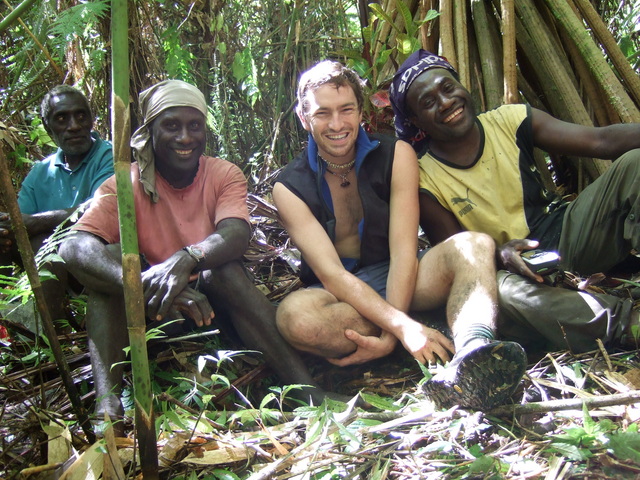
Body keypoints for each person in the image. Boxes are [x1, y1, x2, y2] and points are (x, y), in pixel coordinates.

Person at [59, 80, 332, 434]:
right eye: (171, 126)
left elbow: (235, 232)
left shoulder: (222, 174)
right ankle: (107, 406)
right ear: (150, 131)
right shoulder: (124, 185)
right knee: (109, 264)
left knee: (225, 271)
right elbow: (74, 246)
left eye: (195, 125)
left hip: (212, 309)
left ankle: (306, 390)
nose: (185, 137)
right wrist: (143, 283)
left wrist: (188, 257)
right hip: (153, 312)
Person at [272, 60, 528, 412]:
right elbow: (332, 275)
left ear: (361, 111)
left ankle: (473, 352)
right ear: (304, 118)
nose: (336, 124)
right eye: (322, 113)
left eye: (346, 110)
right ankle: (434, 327)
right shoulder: (289, 187)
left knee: (475, 244)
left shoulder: (396, 153)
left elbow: (405, 251)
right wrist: (403, 327)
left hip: (401, 274)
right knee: (296, 318)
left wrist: (395, 333)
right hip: (339, 297)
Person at [388, 49, 640, 354]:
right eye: (428, 103)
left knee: (635, 164)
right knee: (504, 294)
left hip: (568, 235)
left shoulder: (510, 120)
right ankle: (628, 324)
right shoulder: (424, 178)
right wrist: (501, 255)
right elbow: (459, 258)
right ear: (416, 120)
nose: (446, 103)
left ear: (461, 85)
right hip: (513, 273)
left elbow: (600, 141)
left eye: (448, 87)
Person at [0, 85, 114, 324]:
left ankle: (45, 326)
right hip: (49, 263)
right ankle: (8, 317)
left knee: (42, 242)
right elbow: (19, 222)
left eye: (81, 115)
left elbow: (102, 207)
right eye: (62, 118)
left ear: (91, 119)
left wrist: (38, 222)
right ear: (47, 126)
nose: (74, 125)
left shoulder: (110, 156)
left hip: (97, 261)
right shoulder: (41, 172)